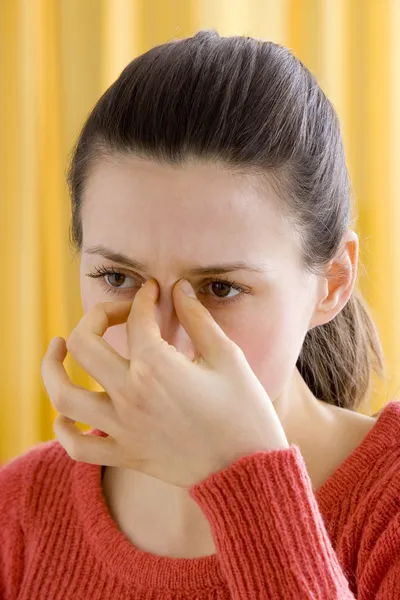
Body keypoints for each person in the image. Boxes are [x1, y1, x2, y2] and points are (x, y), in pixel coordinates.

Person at [1, 29, 399, 600]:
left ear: (331, 283)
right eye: (119, 278)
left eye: (219, 288)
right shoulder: (21, 513)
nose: (161, 343)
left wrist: (251, 485)